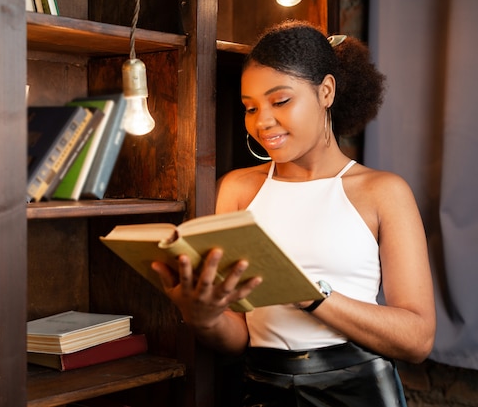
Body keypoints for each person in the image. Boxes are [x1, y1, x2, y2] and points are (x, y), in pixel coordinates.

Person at [152, 20, 436, 407]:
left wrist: (311, 295)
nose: (262, 121)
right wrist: (204, 318)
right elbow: (240, 336)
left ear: (326, 92)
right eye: (250, 107)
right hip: (260, 389)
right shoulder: (236, 189)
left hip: (358, 391)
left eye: (280, 101)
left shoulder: (383, 192)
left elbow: (417, 339)